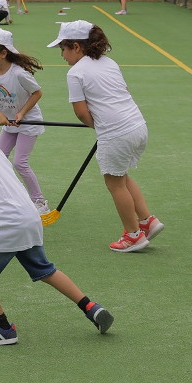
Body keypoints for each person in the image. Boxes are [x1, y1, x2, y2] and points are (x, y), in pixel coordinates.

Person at [0, 93, 114, 345]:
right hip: (28, 217)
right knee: (44, 269)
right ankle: (90, 306)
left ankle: (3, 329)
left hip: (7, 224)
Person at [48, 20, 163, 252]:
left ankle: (133, 236)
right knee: (122, 177)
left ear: (77, 47)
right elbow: (124, 92)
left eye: (63, 49)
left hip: (117, 133)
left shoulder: (75, 73)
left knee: (114, 184)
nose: (62, 55)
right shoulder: (108, 62)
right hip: (137, 125)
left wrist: (98, 127)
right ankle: (147, 221)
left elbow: (81, 112)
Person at [0, 30, 50, 213]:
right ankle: (5, 197)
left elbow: (37, 93)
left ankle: (40, 202)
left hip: (28, 122)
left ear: (4, 53)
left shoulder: (19, 73)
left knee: (20, 162)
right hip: (8, 123)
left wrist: (22, 113)